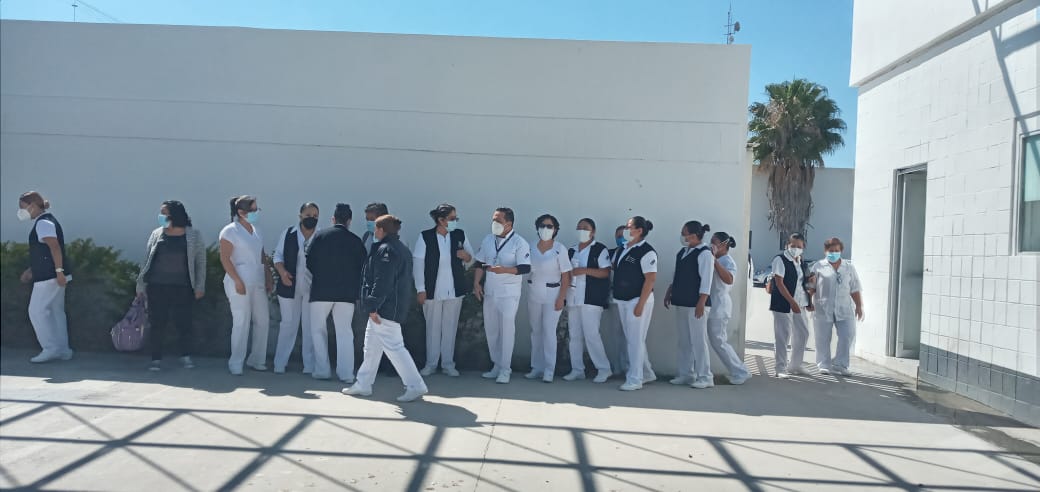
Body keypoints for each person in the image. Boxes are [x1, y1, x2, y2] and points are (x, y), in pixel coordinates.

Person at [344, 215, 429, 402]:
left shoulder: (386, 251)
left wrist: (373, 306)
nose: (374, 231)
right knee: (371, 347)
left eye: (376, 228)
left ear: (381, 230)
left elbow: (382, 282)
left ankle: (415, 385)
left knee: (395, 347)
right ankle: (363, 384)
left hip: (385, 308)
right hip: (390, 306)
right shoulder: (399, 249)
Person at [136, 200, 206, 371]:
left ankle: (185, 355)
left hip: (182, 286)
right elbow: (146, 260)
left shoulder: (193, 235)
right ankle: (156, 359)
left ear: (174, 214)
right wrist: (140, 285)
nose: (161, 216)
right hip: (157, 285)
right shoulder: (157, 234)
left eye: (164, 213)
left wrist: (199, 286)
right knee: (157, 323)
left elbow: (200, 262)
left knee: (184, 323)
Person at [306, 203, 366, 382]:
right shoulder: (356, 241)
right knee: (345, 332)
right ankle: (346, 373)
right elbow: (362, 266)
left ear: (333, 219)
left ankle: (322, 370)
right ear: (349, 221)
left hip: (320, 291)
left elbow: (309, 261)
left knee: (317, 330)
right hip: (346, 293)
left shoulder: (320, 236)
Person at [413, 203, 474, 377]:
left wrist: (466, 257)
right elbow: (418, 264)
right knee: (432, 327)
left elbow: (471, 259)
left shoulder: (459, 235)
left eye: (456, 218)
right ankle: (431, 364)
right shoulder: (425, 237)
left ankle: (448, 364)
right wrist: (420, 289)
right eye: (452, 219)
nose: (455, 222)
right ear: (441, 220)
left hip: (454, 290)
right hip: (432, 290)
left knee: (450, 327)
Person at [473, 207, 531, 384]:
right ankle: (496, 365)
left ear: (509, 224)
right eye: (493, 219)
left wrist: (504, 270)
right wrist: (476, 283)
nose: (494, 224)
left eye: (498, 220)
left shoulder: (519, 243)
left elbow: (525, 267)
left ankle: (506, 369)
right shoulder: (488, 239)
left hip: (508, 293)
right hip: (490, 291)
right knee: (492, 330)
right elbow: (480, 262)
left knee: (506, 330)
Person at [219, 195, 273, 375]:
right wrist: (237, 280)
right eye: (253, 209)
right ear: (241, 212)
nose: (257, 213)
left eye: (258, 209)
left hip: (257, 281)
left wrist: (268, 277)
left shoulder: (256, 230)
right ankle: (236, 362)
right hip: (239, 282)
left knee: (263, 320)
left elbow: (262, 256)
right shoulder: (230, 231)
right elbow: (225, 258)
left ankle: (257, 359)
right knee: (241, 322)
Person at [17, 191, 74, 363]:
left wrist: (58, 271)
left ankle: (50, 348)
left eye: (23, 207)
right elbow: (44, 252)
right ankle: (63, 350)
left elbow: (54, 247)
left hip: (49, 277)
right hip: (53, 274)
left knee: (36, 311)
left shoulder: (43, 224)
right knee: (56, 312)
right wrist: (32, 269)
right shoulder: (47, 221)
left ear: (32, 206)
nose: (21, 211)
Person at [664, 221, 715, 389]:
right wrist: (670, 291)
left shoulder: (705, 254)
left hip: (696, 304)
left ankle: (705, 376)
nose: (682, 236)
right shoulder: (683, 252)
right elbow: (676, 274)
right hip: (682, 301)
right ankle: (686, 374)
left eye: (684, 233)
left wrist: (701, 302)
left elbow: (706, 280)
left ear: (693, 235)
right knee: (684, 341)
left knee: (699, 341)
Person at [272, 202, 320, 375]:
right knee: (288, 325)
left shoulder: (320, 236)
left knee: (309, 326)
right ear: (300, 216)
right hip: (289, 286)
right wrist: (282, 272)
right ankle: (280, 363)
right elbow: (277, 255)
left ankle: (309, 365)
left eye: (315, 216)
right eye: (308, 215)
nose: (311, 219)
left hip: (311, 288)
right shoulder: (288, 234)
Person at [611, 216, 659, 391]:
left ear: (639, 230)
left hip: (637, 301)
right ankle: (646, 373)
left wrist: (640, 304)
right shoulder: (624, 248)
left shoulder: (647, 251)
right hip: (622, 300)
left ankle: (635, 378)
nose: (626, 229)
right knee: (634, 340)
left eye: (629, 226)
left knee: (634, 341)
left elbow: (650, 279)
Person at [524, 214, 573, 383]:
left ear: (555, 229)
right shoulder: (530, 247)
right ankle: (536, 367)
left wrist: (562, 298)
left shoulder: (560, 249)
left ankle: (549, 369)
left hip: (553, 294)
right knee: (536, 331)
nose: (546, 229)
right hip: (534, 293)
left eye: (550, 226)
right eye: (543, 225)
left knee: (548, 331)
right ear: (537, 228)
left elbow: (566, 276)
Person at [564, 218, 613, 383]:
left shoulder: (600, 249)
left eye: (585, 228)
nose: (581, 231)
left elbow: (605, 272)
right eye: (579, 228)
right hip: (573, 297)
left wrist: (583, 270)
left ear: (593, 232)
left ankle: (603, 369)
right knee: (574, 335)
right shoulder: (571, 250)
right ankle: (577, 369)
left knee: (592, 335)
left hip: (591, 299)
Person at [808, 237, 864, 376]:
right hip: (823, 307)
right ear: (825, 251)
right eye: (830, 250)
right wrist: (808, 302)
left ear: (841, 251)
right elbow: (811, 287)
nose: (833, 253)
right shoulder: (818, 266)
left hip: (844, 308)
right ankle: (824, 364)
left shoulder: (849, 267)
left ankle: (841, 364)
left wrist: (859, 306)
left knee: (847, 335)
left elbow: (855, 288)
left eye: (836, 250)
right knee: (822, 338)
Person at [707, 231, 751, 384]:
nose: (711, 244)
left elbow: (728, 279)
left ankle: (740, 371)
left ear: (724, 244)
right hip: (710, 304)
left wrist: (714, 261)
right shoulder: (713, 259)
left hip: (720, 306)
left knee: (719, 341)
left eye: (714, 242)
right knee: (716, 341)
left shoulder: (727, 261)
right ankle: (739, 370)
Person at [770, 233, 811, 378]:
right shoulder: (780, 259)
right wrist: (791, 302)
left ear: (803, 247)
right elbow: (779, 283)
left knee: (803, 333)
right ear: (787, 245)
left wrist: (809, 301)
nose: (795, 248)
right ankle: (780, 368)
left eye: (799, 246)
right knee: (783, 335)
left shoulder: (801, 262)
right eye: (793, 245)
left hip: (800, 303)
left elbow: (804, 284)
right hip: (783, 304)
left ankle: (795, 365)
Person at [607, 224, 629, 376]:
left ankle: (630, 367)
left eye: (623, 235)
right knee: (616, 334)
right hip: (614, 298)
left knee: (630, 335)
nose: (620, 238)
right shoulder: (610, 253)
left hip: (631, 299)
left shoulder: (635, 253)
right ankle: (617, 366)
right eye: (617, 236)